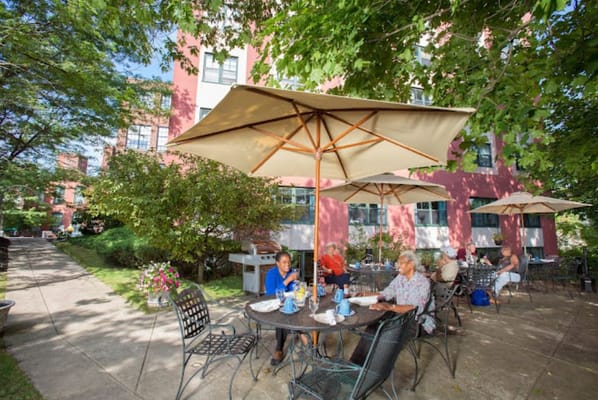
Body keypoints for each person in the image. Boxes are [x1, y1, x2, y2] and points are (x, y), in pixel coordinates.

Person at [349, 250, 434, 365]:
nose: (398, 266)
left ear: (411, 264)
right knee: (373, 325)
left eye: (401, 263)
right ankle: (354, 364)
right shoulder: (401, 278)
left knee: (385, 332)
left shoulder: (422, 283)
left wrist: (389, 307)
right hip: (400, 314)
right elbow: (387, 293)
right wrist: (365, 294)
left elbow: (415, 309)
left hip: (417, 322)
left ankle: (373, 371)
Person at [264, 251, 299, 365]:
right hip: (275, 305)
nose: (287, 265)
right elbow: (271, 294)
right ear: (277, 263)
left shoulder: (293, 272)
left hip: (291, 304)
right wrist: (288, 280)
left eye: (289, 262)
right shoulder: (272, 274)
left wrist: (297, 285)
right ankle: (279, 349)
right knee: (282, 317)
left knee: (304, 312)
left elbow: (295, 290)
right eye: (284, 262)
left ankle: (309, 344)